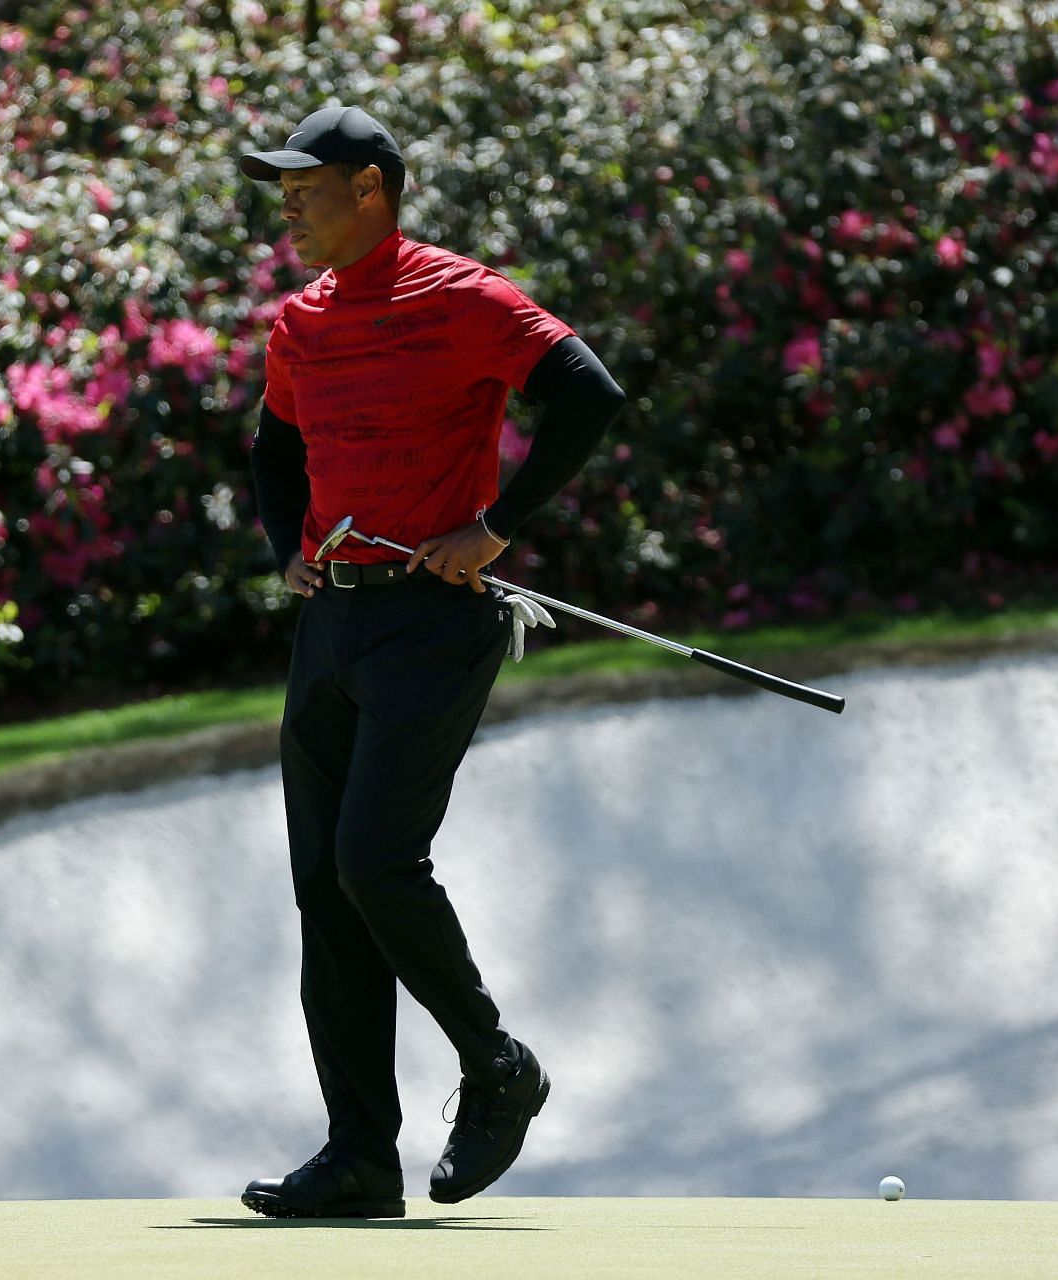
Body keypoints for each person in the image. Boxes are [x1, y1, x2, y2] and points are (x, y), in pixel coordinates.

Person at [239, 105, 628, 1218]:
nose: (291, 207)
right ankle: (361, 1156)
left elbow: (586, 394)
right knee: (328, 893)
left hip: (432, 619)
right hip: (332, 627)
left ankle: (496, 1060)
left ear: (372, 188)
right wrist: (287, 554)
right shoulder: (300, 321)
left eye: (309, 188)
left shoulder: (461, 296)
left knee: (374, 860)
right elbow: (273, 446)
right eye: (285, 191)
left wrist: (496, 524)